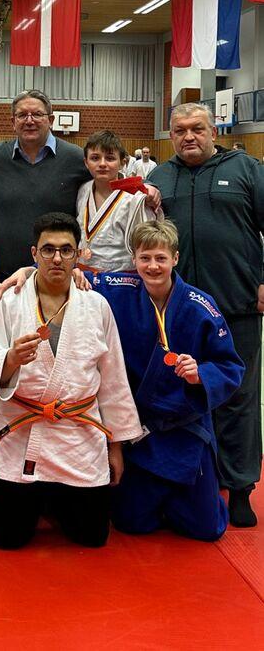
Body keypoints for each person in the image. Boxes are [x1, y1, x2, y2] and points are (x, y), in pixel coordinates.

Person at [0, 212, 141, 550]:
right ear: (34, 254)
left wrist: (116, 446)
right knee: (5, 538)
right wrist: (9, 360)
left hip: (77, 440)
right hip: (22, 439)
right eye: (48, 250)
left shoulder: (96, 305)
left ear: (79, 255)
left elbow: (114, 380)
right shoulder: (9, 301)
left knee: (92, 537)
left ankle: (51, 501)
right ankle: (40, 501)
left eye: (66, 250)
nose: (57, 258)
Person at [88, 221, 244, 540]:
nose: (153, 266)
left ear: (175, 257)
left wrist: (201, 372)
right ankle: (164, 498)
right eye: (145, 258)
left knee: (207, 529)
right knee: (131, 522)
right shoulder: (118, 288)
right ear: (134, 260)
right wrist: (30, 272)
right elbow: (64, 275)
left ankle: (185, 497)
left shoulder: (201, 306)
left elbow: (230, 366)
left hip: (185, 429)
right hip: (141, 432)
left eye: (160, 258)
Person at [148, 102, 264, 527]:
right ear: (171, 134)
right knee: (188, 395)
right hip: (179, 313)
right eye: (179, 130)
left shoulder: (248, 170)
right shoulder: (158, 177)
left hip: (237, 303)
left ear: (213, 130)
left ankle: (240, 486)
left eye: (197, 128)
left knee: (238, 397)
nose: (188, 136)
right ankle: (198, 477)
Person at [0, 91, 90, 281]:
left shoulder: (76, 158)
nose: (29, 121)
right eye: (22, 115)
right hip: (3, 276)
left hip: (57, 275)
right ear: (13, 122)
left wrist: (148, 186)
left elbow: (112, 177)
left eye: (37, 114)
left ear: (51, 120)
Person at [77, 129, 157, 272]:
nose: (102, 164)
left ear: (122, 163)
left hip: (121, 279)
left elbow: (148, 245)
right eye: (95, 158)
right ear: (86, 162)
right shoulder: (83, 190)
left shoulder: (136, 197)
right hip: (83, 276)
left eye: (110, 158)